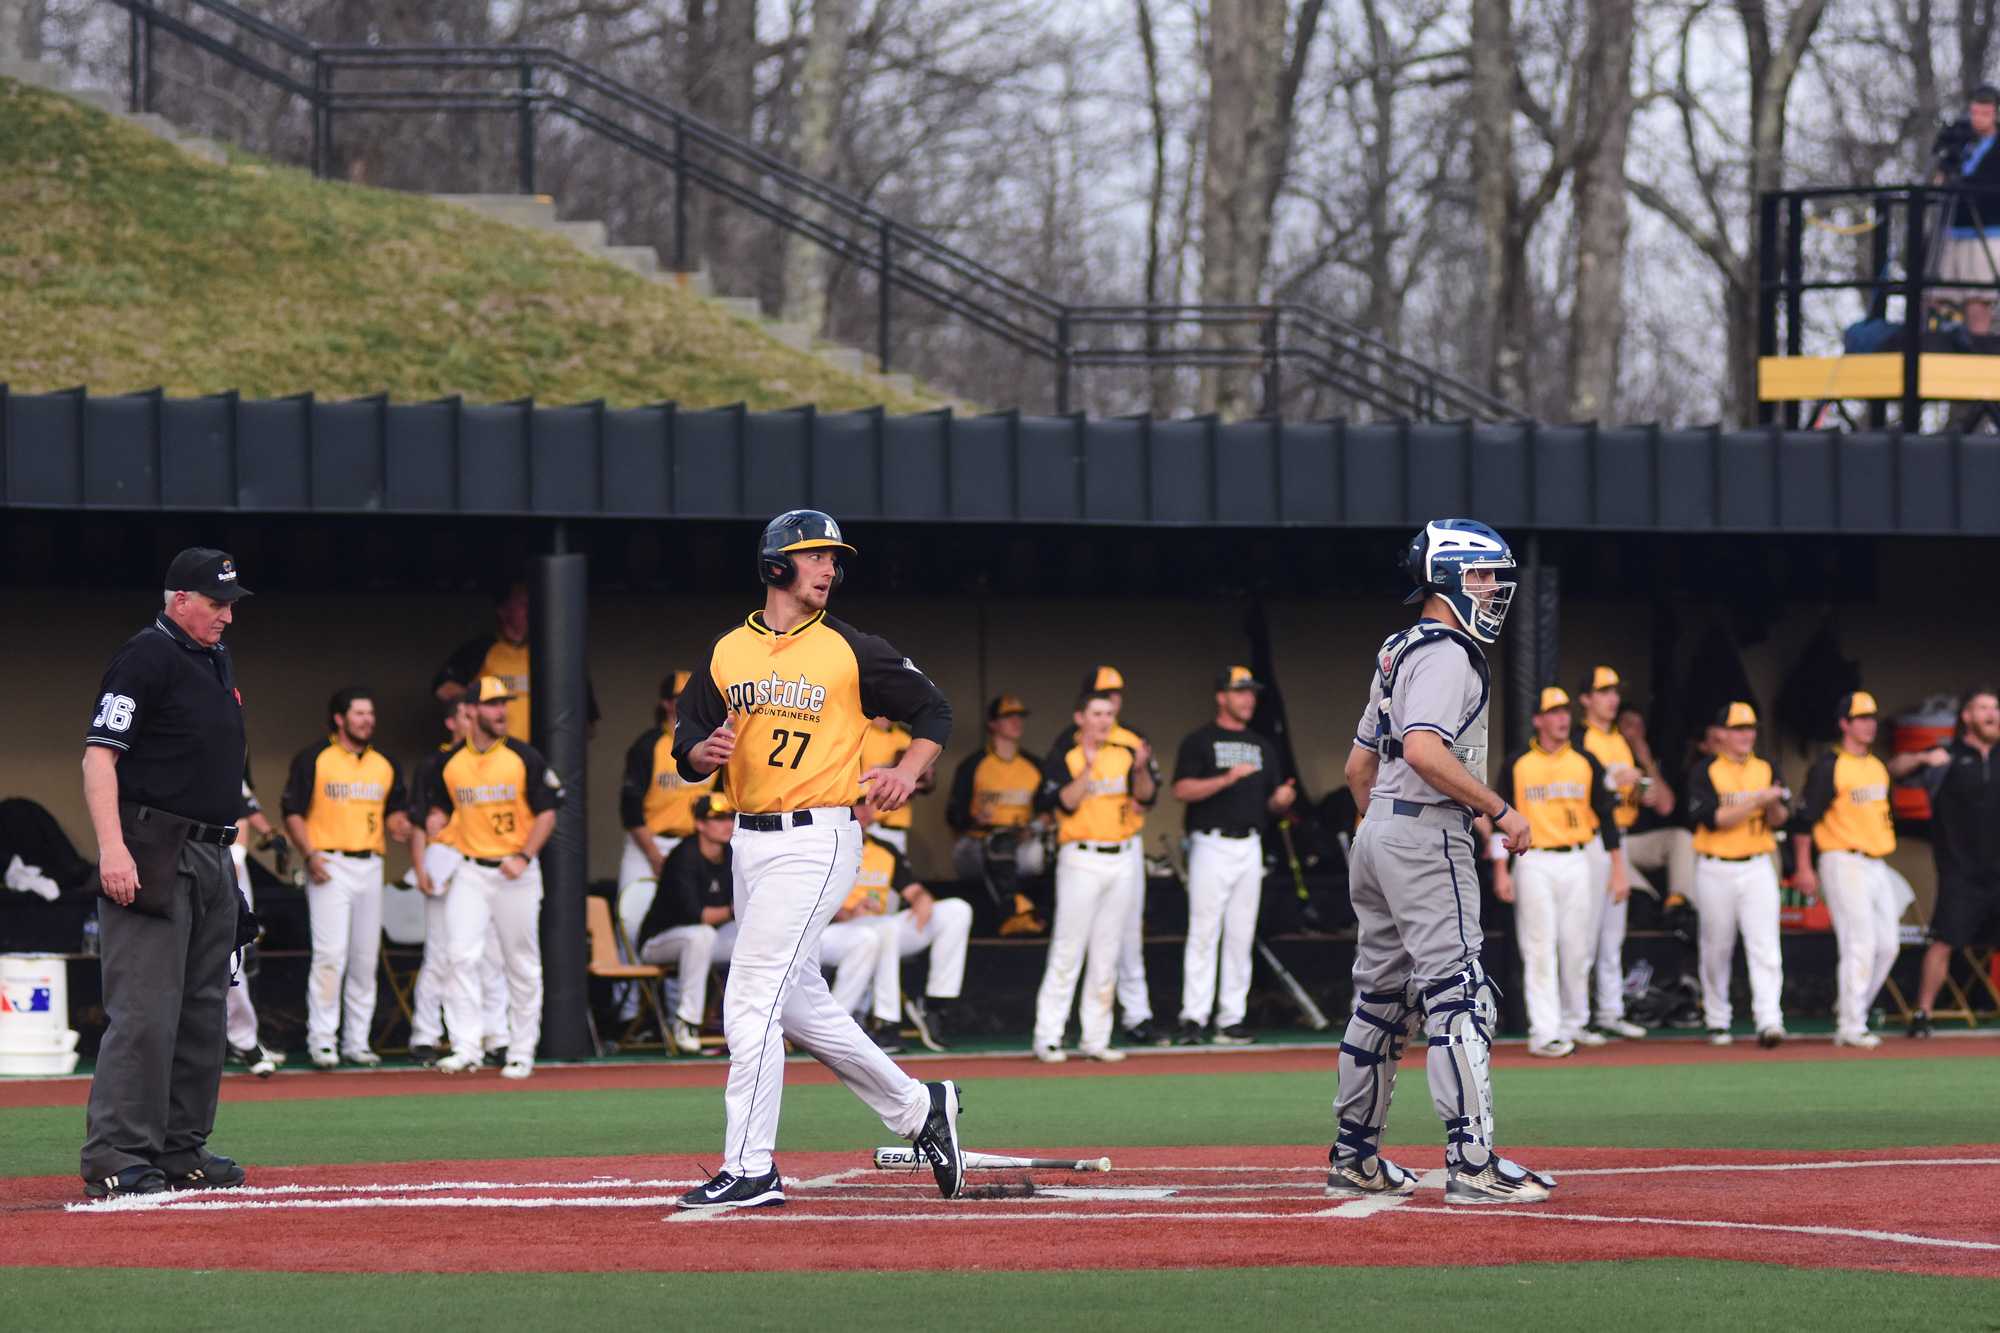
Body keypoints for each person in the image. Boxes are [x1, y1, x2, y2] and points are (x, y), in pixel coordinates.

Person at [670, 509, 964, 1209]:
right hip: (749, 840)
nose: (829, 567)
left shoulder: (850, 648)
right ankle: (920, 1106)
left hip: (817, 835)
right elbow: (687, 736)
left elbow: (936, 711)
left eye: (834, 557)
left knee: (749, 998)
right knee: (797, 1005)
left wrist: (907, 767)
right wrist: (696, 754)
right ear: (776, 565)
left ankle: (750, 1166)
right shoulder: (726, 651)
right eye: (814, 555)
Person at [1331, 518, 1555, 1206]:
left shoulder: (1398, 647)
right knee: (1459, 992)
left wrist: (1381, 836)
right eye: (1484, 574)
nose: (1493, 588)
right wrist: (1500, 808)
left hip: (1379, 833)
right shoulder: (1450, 652)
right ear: (1451, 577)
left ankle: (1355, 1156)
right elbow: (1427, 751)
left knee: (1379, 999)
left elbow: (1357, 767)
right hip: (1427, 835)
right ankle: (1472, 1160)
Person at [80, 548, 255, 1199]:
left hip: (211, 851)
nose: (227, 615)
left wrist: (227, 866)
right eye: (217, 602)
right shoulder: (145, 656)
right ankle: (116, 1150)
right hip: (153, 847)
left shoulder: (212, 660)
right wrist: (112, 848)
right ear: (179, 597)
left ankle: (180, 1146)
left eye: (231, 601)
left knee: (202, 1012)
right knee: (146, 1011)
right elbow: (100, 759)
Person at [424, 675, 561, 1079]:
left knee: (521, 962)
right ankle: (467, 1046)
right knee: (460, 955)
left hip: (514, 870)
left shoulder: (523, 756)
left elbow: (548, 812)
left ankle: (521, 1050)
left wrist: (524, 854)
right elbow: (439, 813)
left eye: (504, 704)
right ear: (470, 711)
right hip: (470, 868)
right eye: (492, 704)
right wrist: (436, 825)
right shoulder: (449, 763)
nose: (501, 711)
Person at [1794, 691, 1942, 1048]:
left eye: (1871, 717)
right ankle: (1851, 1022)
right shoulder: (1830, 764)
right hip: (1842, 859)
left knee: (1888, 945)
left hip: (1876, 862)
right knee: (1859, 942)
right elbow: (1804, 821)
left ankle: (1851, 1006)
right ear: (1844, 724)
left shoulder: (1876, 766)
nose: (1868, 724)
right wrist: (1803, 867)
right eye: (1860, 718)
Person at [1491, 687, 1626, 1059]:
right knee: (1539, 946)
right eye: (1553, 712)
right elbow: (1500, 818)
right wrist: (1501, 871)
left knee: (1576, 945)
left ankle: (1573, 1021)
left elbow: (1607, 816)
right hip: (1533, 860)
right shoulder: (1517, 763)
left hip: (1578, 858)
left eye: (1565, 711)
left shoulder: (1585, 760)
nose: (1561, 718)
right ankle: (1544, 1031)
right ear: (1537, 719)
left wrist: (1618, 869)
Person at [281, 688, 410, 1069]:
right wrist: (309, 854)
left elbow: (394, 811)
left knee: (364, 958)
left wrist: (400, 825)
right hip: (329, 862)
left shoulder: (384, 763)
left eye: (370, 713)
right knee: (330, 955)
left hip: (371, 863)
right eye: (359, 713)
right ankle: (322, 1040)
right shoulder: (314, 758)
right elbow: (292, 811)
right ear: (339, 718)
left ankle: (357, 1040)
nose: (367, 720)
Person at [1169, 665, 1296, 1046]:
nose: (1247, 699)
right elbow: (1181, 790)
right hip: (1211, 842)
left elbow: (1273, 800)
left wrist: (1281, 800)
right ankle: (1193, 1016)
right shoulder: (1200, 741)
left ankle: (1231, 1017)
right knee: (1204, 931)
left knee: (1240, 933)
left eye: (1251, 693)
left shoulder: (1262, 746)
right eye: (1239, 692)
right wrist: (1227, 778)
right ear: (1221, 695)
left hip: (1249, 844)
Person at [1031, 690, 1158, 1063]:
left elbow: (1147, 797)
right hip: (1081, 857)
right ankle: (1049, 1035)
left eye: (1108, 713)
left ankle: (1095, 1037)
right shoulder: (1066, 756)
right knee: (1068, 948)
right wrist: (1087, 767)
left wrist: (1140, 769)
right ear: (1080, 717)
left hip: (1120, 857)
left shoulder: (1125, 753)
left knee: (1107, 951)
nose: (1104, 720)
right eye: (1097, 713)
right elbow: (1065, 802)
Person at [1685, 701, 1791, 1048]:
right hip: (1716, 865)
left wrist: (1773, 803)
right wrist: (1757, 801)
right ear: (1722, 734)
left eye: (1750, 729)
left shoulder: (1767, 767)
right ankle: (1717, 1019)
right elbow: (1713, 819)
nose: (1746, 735)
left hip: (1758, 862)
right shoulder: (1705, 770)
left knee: (1765, 945)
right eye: (1738, 729)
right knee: (1717, 947)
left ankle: (1770, 1020)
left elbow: (1780, 819)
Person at [1575, 667, 1668, 1039]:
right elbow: (1584, 791)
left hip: (1621, 836)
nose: (1611, 698)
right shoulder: (1581, 738)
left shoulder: (1620, 740)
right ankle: (1577, 1016)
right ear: (1586, 698)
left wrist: (1639, 789)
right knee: (1583, 931)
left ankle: (1610, 1009)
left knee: (1613, 932)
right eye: (1604, 691)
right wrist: (1613, 783)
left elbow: (1649, 797)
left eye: (1615, 691)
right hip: (1590, 838)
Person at [1907, 686, 2000, 1036]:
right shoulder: (1946, 755)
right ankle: (1923, 1014)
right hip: (1960, 870)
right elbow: (1895, 767)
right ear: (1967, 716)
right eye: (1983, 708)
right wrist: (1921, 759)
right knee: (1943, 941)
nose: (1992, 714)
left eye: (1995, 707)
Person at [846, 803, 974, 1052]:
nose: (862, 813)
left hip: (878, 928)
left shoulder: (885, 849)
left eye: (866, 806)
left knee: (957, 910)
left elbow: (912, 889)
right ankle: (886, 1022)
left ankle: (936, 1004)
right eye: (855, 806)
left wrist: (922, 899)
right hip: (836, 930)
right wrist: (846, 912)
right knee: (886, 928)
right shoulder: (829, 848)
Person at [633, 792, 737, 1055]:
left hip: (706, 940)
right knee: (700, 935)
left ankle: (751, 1023)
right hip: (659, 942)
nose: (727, 824)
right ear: (700, 824)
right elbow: (698, 915)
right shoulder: (684, 856)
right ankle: (687, 1022)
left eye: (730, 817)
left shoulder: (731, 854)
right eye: (718, 818)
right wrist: (736, 908)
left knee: (754, 935)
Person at [431, 580, 599, 741]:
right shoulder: (480, 649)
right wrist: (480, 705)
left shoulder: (557, 655)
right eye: (524, 605)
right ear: (503, 610)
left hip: (539, 761)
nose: (531, 611)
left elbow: (588, 725)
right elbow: (443, 688)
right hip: (489, 760)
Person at [945, 695, 1048, 935]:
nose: (1016, 722)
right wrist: (974, 820)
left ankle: (1040, 916)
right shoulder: (973, 765)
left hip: (1021, 841)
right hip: (975, 843)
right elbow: (952, 816)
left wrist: (1031, 829)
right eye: (1008, 717)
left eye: (1019, 717)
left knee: (1056, 852)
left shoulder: (1034, 765)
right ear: (992, 724)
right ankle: (1012, 913)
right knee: (998, 842)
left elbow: (1049, 813)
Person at [617, 671, 716, 902]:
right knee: (633, 916)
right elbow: (630, 810)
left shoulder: (713, 743)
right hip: (649, 845)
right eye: (681, 696)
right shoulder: (647, 746)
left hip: (694, 845)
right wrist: (654, 856)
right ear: (666, 703)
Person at [223, 779, 284, 1079]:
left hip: (226, 866)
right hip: (183, 861)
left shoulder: (227, 757)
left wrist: (237, 856)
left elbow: (244, 810)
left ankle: (244, 1042)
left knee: (233, 956)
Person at [1932, 85, 2000, 336]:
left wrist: (1963, 184)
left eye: (1985, 113)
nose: (1978, 119)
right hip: (1953, 229)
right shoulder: (1962, 144)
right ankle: (1935, 343)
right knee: (1935, 293)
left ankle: (1977, 350)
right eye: (1975, 113)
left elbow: (1988, 182)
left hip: (1987, 230)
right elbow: (1940, 178)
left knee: (1978, 297)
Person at [858, 716, 929, 853]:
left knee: (893, 870)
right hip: (862, 821)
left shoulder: (907, 738)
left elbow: (927, 783)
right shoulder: (861, 732)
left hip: (894, 822)